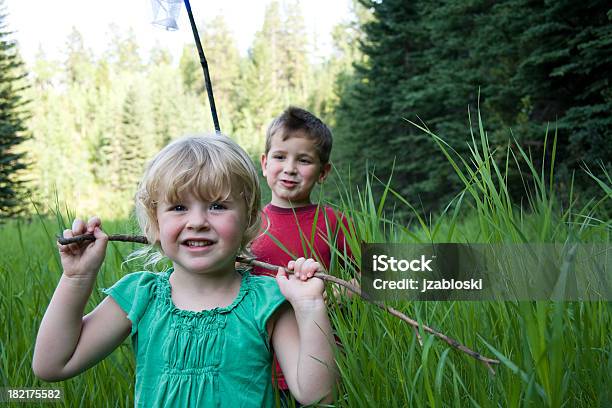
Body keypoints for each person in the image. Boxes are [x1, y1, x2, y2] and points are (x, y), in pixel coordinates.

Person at [32, 134, 336, 407]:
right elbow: (52, 365)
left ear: (249, 220)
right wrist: (77, 278)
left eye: (217, 206)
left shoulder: (267, 300)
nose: (197, 221)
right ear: (155, 223)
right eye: (178, 207)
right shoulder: (141, 296)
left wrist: (310, 307)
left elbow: (317, 395)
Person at [250, 106, 355, 399]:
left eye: (304, 160)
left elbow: (371, 280)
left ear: (323, 172)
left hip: (325, 358)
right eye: (280, 157)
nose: (290, 168)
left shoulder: (334, 222)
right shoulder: (246, 226)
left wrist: (333, 296)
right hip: (261, 363)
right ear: (264, 163)